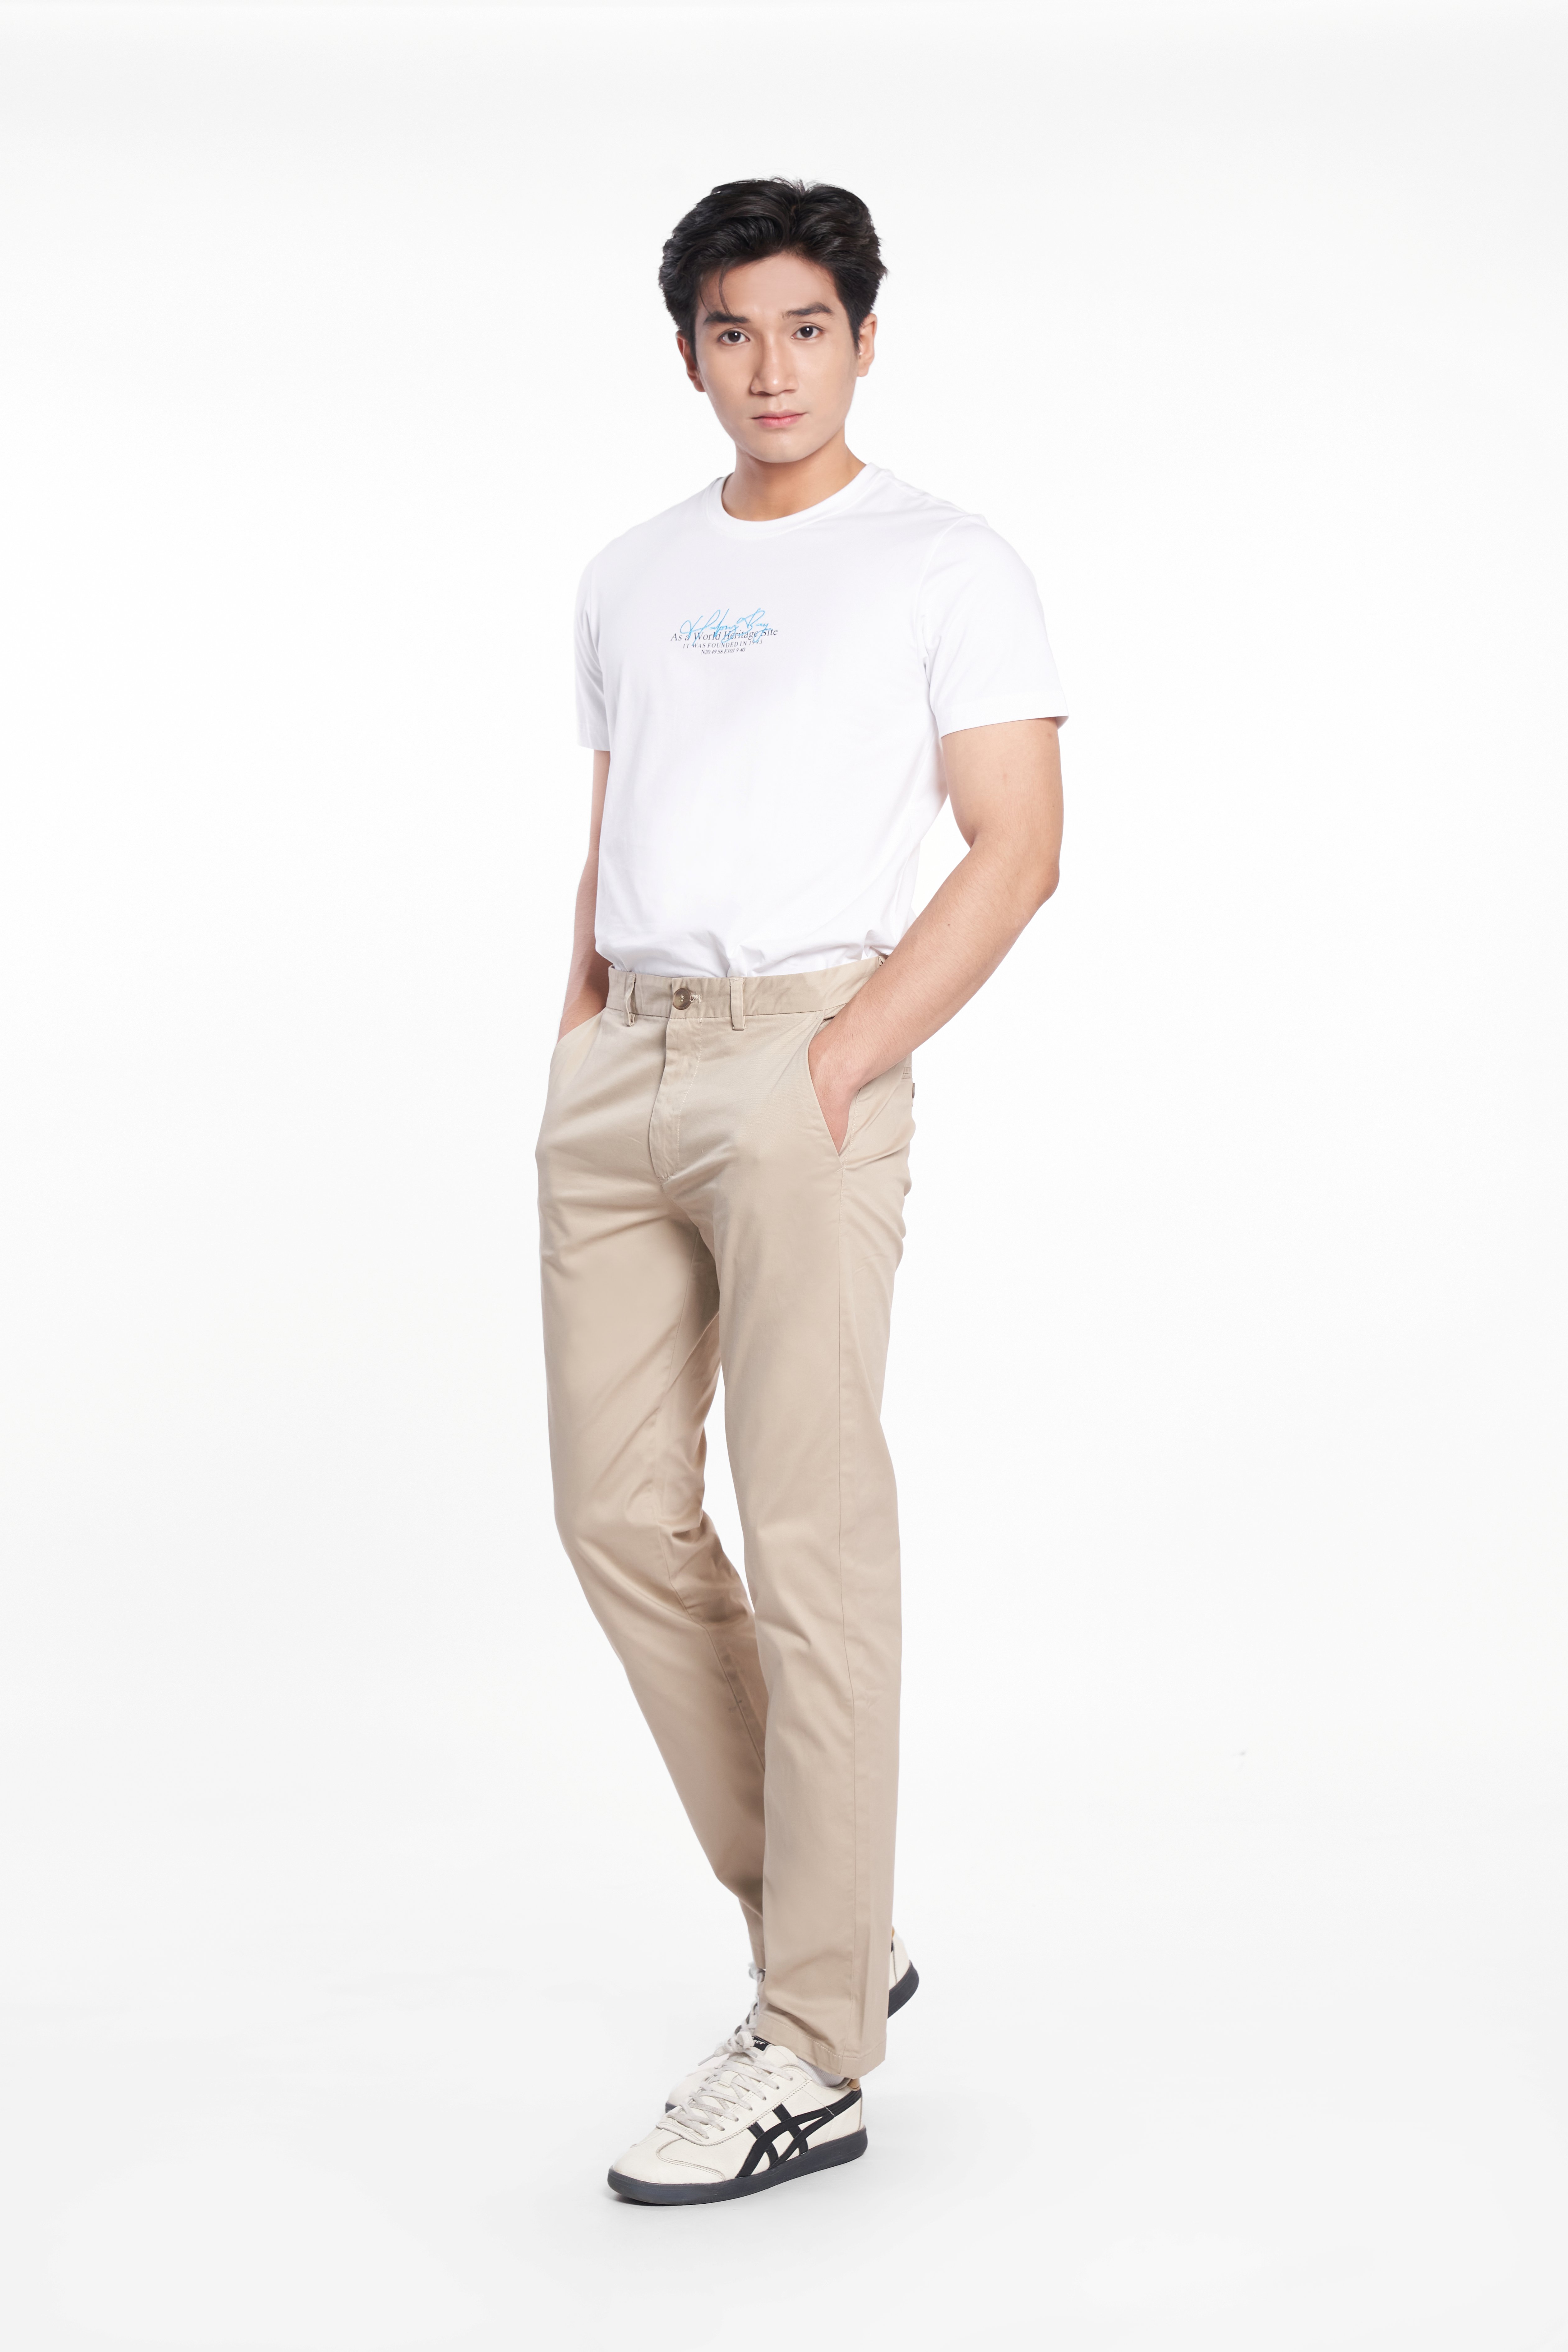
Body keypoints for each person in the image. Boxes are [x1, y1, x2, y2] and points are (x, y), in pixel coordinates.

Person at [537, 178, 1066, 2204]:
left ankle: (814, 2043)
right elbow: (617, 823)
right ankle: (832, 1925)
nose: (771, 368)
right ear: (686, 349)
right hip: (624, 1058)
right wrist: (576, 1039)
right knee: (613, 1513)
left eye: (807, 327)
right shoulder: (630, 573)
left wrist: (842, 1061)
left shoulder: (943, 561)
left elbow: (1015, 846)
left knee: (811, 1533)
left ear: (861, 340)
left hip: (802, 1053)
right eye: (733, 330)